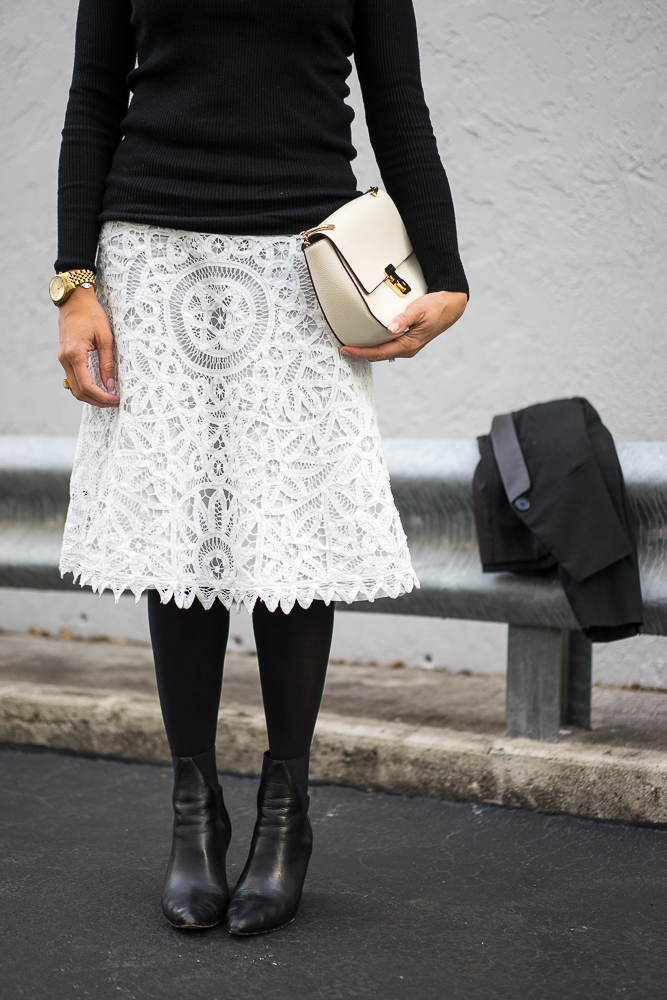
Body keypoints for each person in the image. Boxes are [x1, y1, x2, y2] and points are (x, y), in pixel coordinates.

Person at [53, 0, 468, 937]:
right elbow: (92, 99)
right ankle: (193, 814)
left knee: (292, 529)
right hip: (152, 254)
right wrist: (75, 281)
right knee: (182, 529)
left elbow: (398, 106)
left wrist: (446, 272)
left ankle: (286, 816)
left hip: (306, 260)